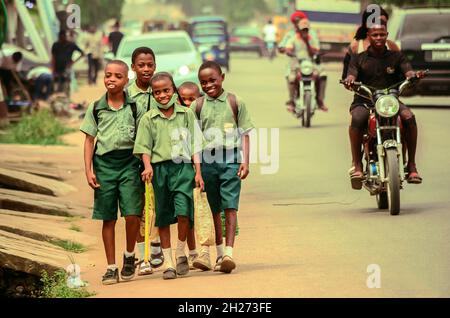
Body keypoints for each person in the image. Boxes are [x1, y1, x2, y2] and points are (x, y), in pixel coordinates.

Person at [133, 72, 205, 280]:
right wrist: (147, 166)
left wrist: (198, 171)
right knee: (163, 216)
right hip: (159, 171)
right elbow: (144, 146)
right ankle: (169, 262)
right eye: (157, 92)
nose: (162, 95)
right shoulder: (148, 118)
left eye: (166, 90)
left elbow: (195, 146)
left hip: (183, 169)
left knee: (184, 212)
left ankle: (180, 250)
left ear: (174, 90)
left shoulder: (186, 114)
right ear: (153, 95)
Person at [80, 60, 144, 285]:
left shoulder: (135, 107)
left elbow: (144, 139)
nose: (112, 79)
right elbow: (89, 140)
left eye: (118, 76)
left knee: (132, 214)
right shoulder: (96, 107)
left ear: (127, 80)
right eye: (108, 75)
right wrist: (88, 170)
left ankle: (129, 255)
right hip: (104, 166)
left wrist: (146, 165)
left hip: (129, 164)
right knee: (108, 218)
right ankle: (110, 267)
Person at [190, 61, 254, 273]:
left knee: (230, 206)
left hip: (231, 160)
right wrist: (198, 171)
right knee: (214, 208)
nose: (208, 85)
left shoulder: (235, 102)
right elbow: (193, 141)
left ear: (222, 77)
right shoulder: (197, 106)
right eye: (204, 82)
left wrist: (245, 161)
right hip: (208, 163)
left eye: (212, 80)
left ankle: (229, 253)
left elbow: (245, 134)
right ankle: (219, 254)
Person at [343, 23, 424, 189]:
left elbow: (408, 71)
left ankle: (412, 165)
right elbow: (351, 74)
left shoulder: (397, 57)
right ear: (368, 37)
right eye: (375, 35)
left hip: (390, 101)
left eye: (382, 35)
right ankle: (357, 165)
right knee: (357, 118)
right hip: (364, 101)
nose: (379, 38)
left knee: (409, 117)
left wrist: (413, 76)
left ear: (387, 35)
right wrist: (350, 80)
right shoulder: (359, 58)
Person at [126, 46, 165, 276]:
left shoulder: (162, 90)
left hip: (160, 157)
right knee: (139, 205)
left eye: (150, 64)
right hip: (133, 159)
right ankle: (143, 256)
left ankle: (157, 241)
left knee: (160, 201)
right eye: (141, 65)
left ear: (155, 66)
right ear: (133, 68)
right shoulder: (128, 95)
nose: (146, 69)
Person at [178, 81, 202, 269]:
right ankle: (190, 252)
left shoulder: (202, 115)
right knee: (185, 212)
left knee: (196, 213)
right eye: (183, 99)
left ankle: (200, 252)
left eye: (191, 99)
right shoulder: (179, 117)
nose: (187, 103)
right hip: (182, 169)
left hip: (202, 167)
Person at [341, 4, 399, 80]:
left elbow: (402, 72)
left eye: (384, 23)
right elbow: (346, 76)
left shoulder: (392, 46)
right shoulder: (356, 46)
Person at [285, 17, 328, 112]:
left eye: (306, 30)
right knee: (291, 77)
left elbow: (315, 51)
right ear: (299, 30)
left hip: (311, 64)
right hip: (297, 65)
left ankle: (320, 100)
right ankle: (292, 101)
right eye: (303, 30)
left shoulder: (312, 39)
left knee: (323, 75)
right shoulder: (293, 39)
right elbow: (288, 48)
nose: (304, 31)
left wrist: (307, 42)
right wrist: (290, 52)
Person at [51, 30, 84, 95]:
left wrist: (73, 62)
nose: (63, 38)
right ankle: (59, 98)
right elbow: (53, 58)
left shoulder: (71, 45)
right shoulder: (55, 45)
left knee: (66, 83)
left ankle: (66, 96)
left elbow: (82, 53)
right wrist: (53, 69)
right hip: (57, 67)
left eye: (64, 36)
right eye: (61, 36)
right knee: (57, 84)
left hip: (67, 67)